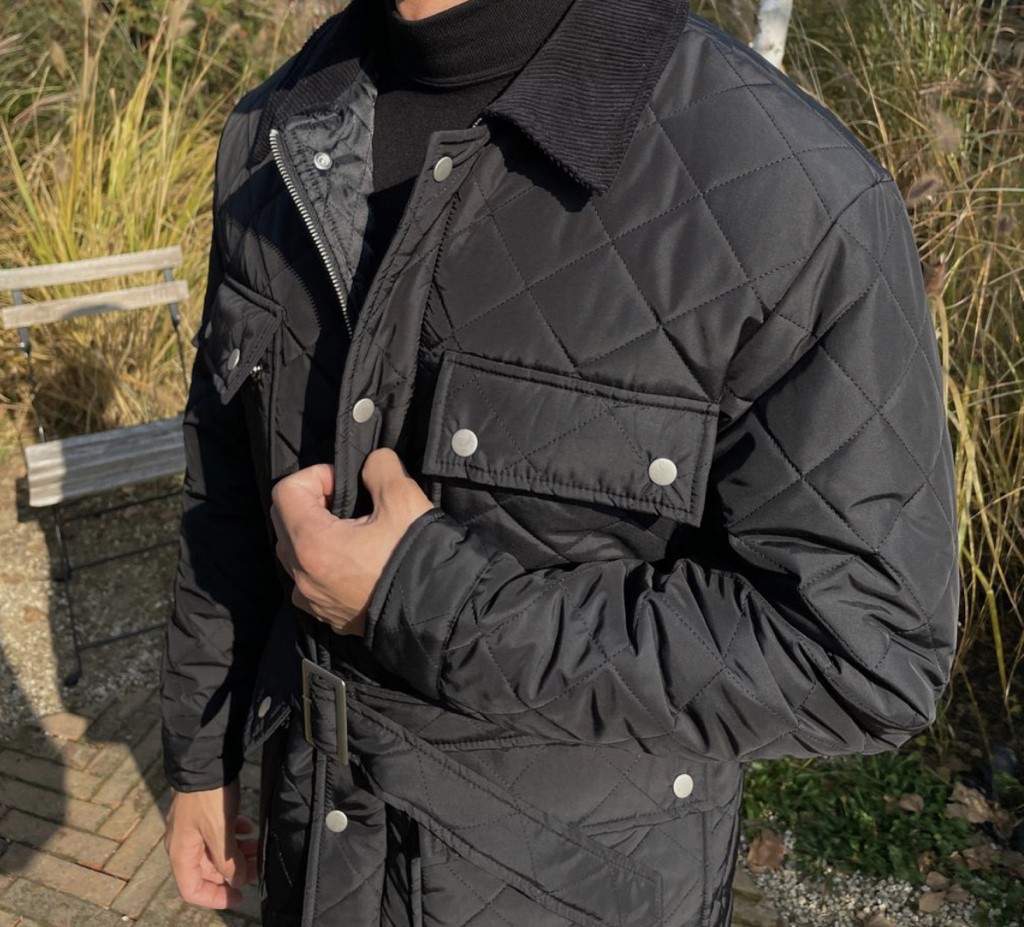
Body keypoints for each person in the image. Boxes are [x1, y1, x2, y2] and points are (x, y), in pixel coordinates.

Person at [160, 0, 960, 923]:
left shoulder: (789, 194)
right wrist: (200, 755)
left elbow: (867, 651)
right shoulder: (279, 128)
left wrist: (430, 601)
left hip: (572, 891)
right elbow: (225, 480)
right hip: (311, 858)